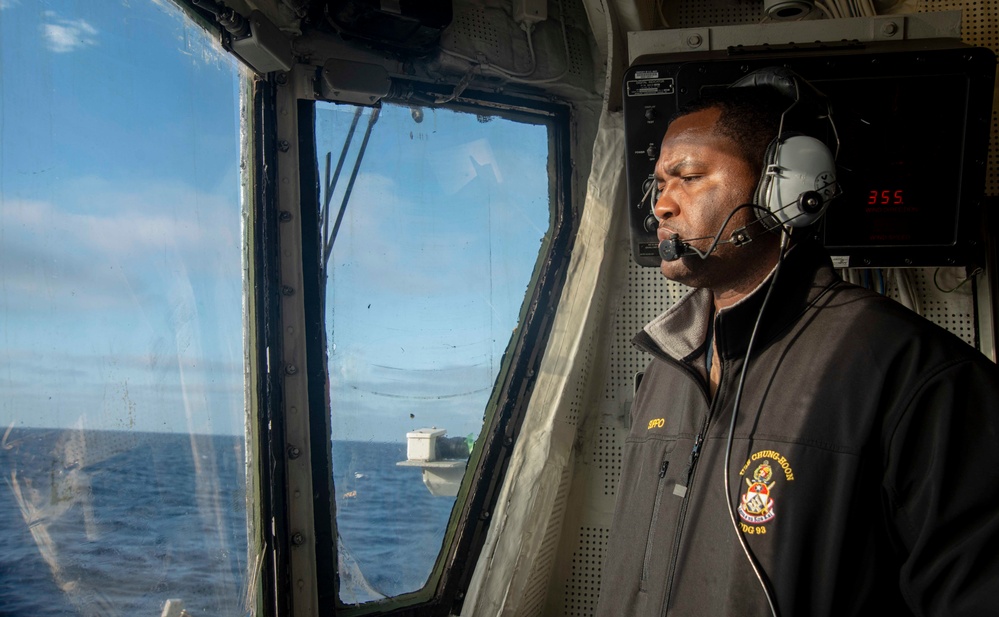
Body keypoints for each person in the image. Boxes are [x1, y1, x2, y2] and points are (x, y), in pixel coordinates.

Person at [595, 73, 999, 616]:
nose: (662, 205)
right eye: (658, 184)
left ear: (784, 192)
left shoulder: (918, 374)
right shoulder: (667, 363)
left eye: (688, 177)